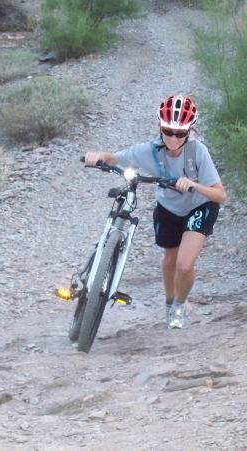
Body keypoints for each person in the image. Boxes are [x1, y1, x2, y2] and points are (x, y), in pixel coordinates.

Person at [83, 95, 227, 329]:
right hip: (168, 207)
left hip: (199, 206)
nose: (173, 138)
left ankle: (180, 305)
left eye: (180, 133)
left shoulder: (198, 152)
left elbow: (220, 195)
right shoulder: (149, 151)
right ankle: (169, 302)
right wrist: (98, 155)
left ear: (189, 131)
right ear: (160, 127)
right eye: (168, 131)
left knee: (184, 264)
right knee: (170, 259)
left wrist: (194, 185)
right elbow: (117, 157)